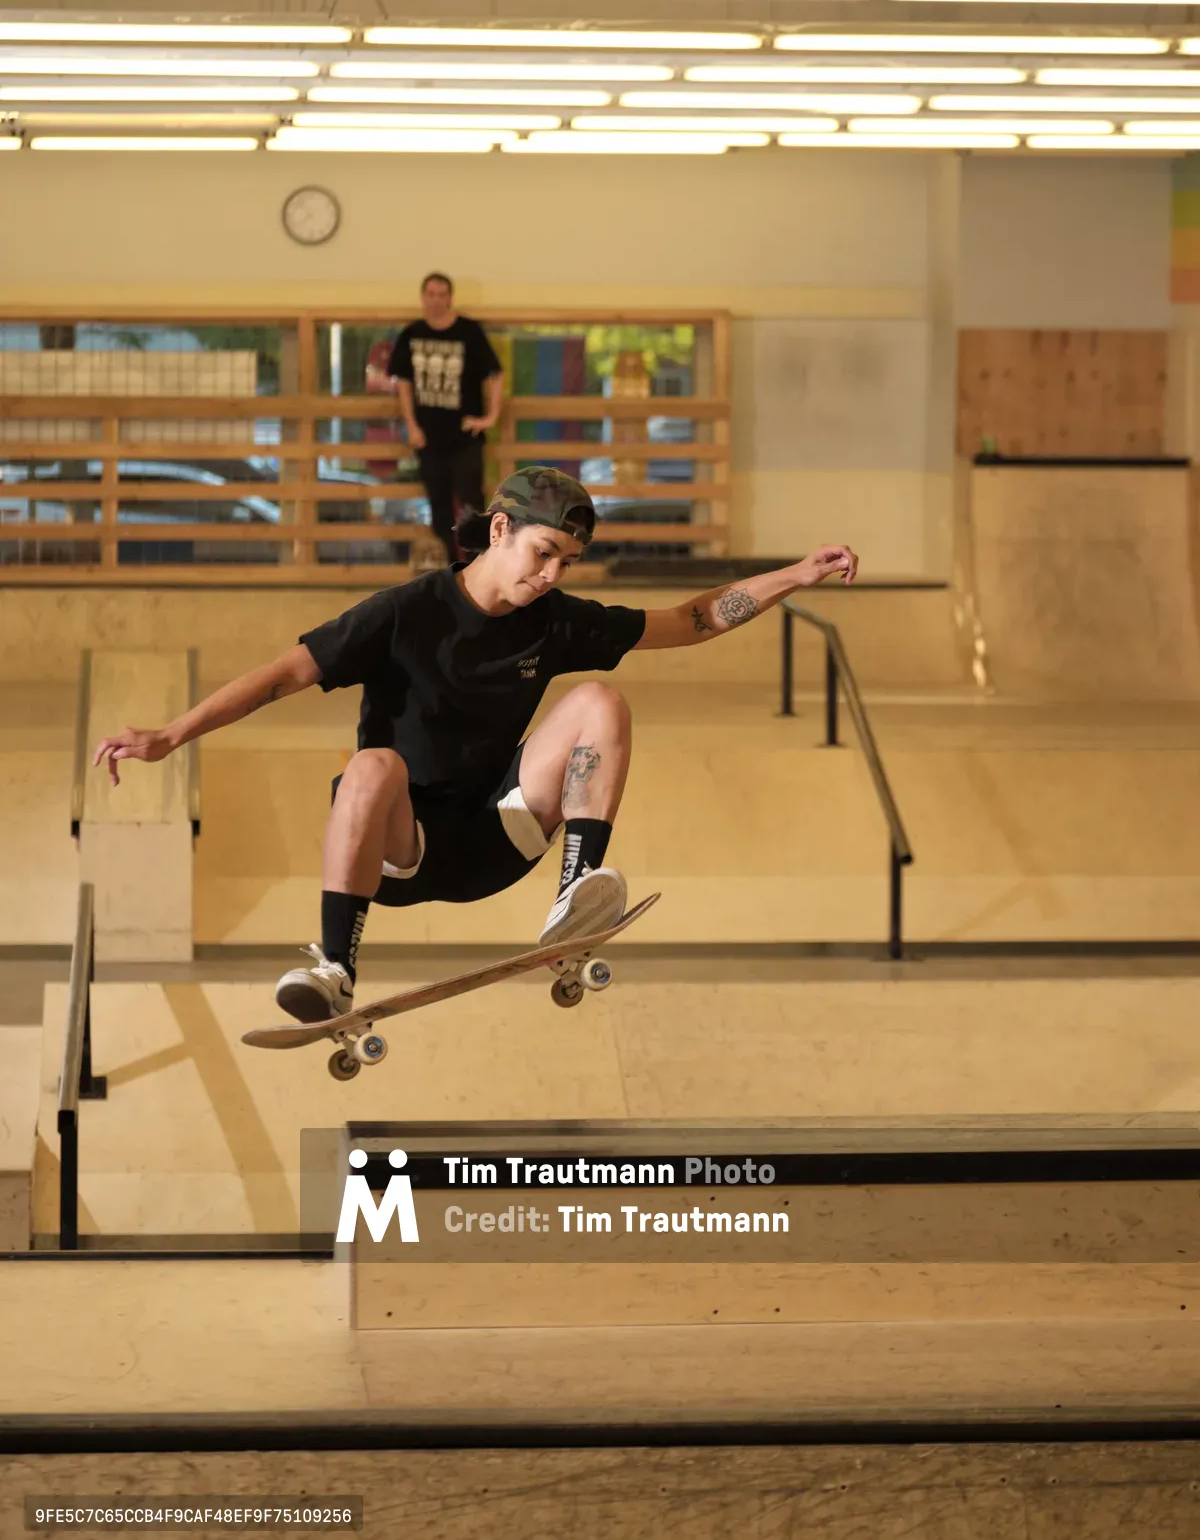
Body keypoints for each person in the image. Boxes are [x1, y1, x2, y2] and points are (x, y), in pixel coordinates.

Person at [91, 467, 858, 1026]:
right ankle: (334, 969)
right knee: (371, 765)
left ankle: (573, 898)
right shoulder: (404, 612)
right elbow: (281, 677)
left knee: (600, 700)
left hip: (500, 834)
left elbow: (689, 621)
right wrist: (169, 735)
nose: (551, 575)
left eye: (567, 564)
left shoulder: (554, 621)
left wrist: (796, 573)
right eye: (543, 554)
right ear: (500, 531)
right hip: (402, 847)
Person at [389, 272, 504, 567]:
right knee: (438, 507)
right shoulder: (412, 334)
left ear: (450, 298)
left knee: (471, 503)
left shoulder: (468, 332)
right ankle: (452, 568)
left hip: (465, 435)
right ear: (423, 297)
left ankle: (481, 562)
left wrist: (489, 417)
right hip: (428, 437)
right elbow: (403, 383)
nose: (436, 300)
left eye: (442, 294)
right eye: (431, 293)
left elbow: (495, 374)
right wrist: (412, 426)